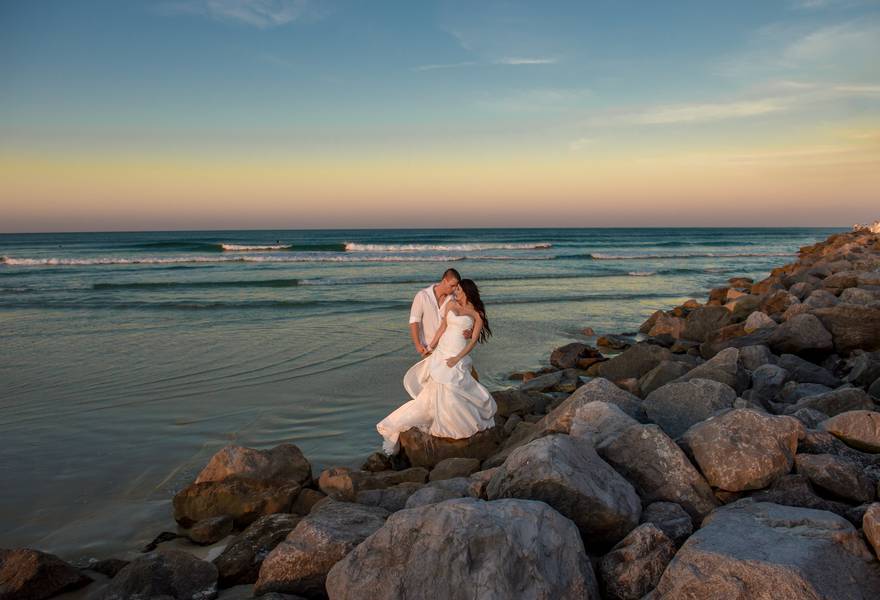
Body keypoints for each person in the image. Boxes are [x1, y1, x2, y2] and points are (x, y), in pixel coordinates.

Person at [377, 279, 496, 455]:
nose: (456, 291)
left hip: (458, 352)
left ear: (467, 291)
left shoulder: (477, 313)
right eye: (456, 288)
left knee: (453, 384)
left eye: (460, 289)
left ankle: (454, 423)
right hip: (443, 349)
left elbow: (472, 342)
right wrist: (431, 346)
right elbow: (442, 328)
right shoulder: (451, 305)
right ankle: (440, 419)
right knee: (438, 385)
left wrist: (457, 358)